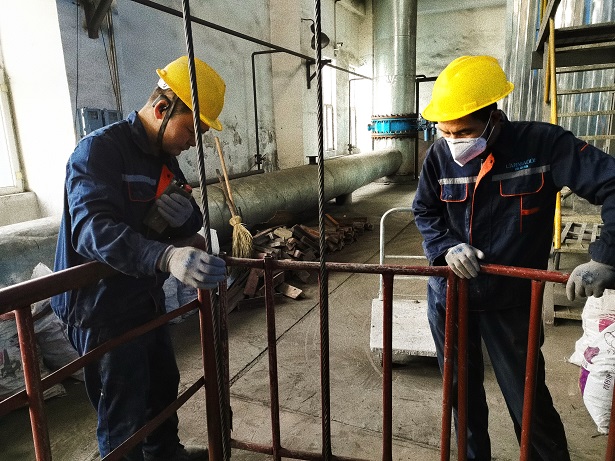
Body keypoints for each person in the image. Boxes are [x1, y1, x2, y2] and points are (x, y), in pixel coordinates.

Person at [412, 55, 615, 460]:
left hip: (511, 301)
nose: (454, 141)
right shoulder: (439, 155)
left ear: (493, 119)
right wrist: (444, 246)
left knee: (528, 402)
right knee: (461, 400)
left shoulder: (544, 145)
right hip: (451, 298)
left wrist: (606, 256)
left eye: (464, 132)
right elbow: (425, 210)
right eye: (445, 131)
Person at [51, 56, 227, 461]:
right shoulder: (98, 152)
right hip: (101, 308)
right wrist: (166, 256)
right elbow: (93, 231)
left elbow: (187, 211)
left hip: (143, 298)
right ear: (162, 109)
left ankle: (165, 455)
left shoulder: (164, 160)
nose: (193, 142)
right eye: (192, 130)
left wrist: (188, 218)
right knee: (124, 413)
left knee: (162, 387)